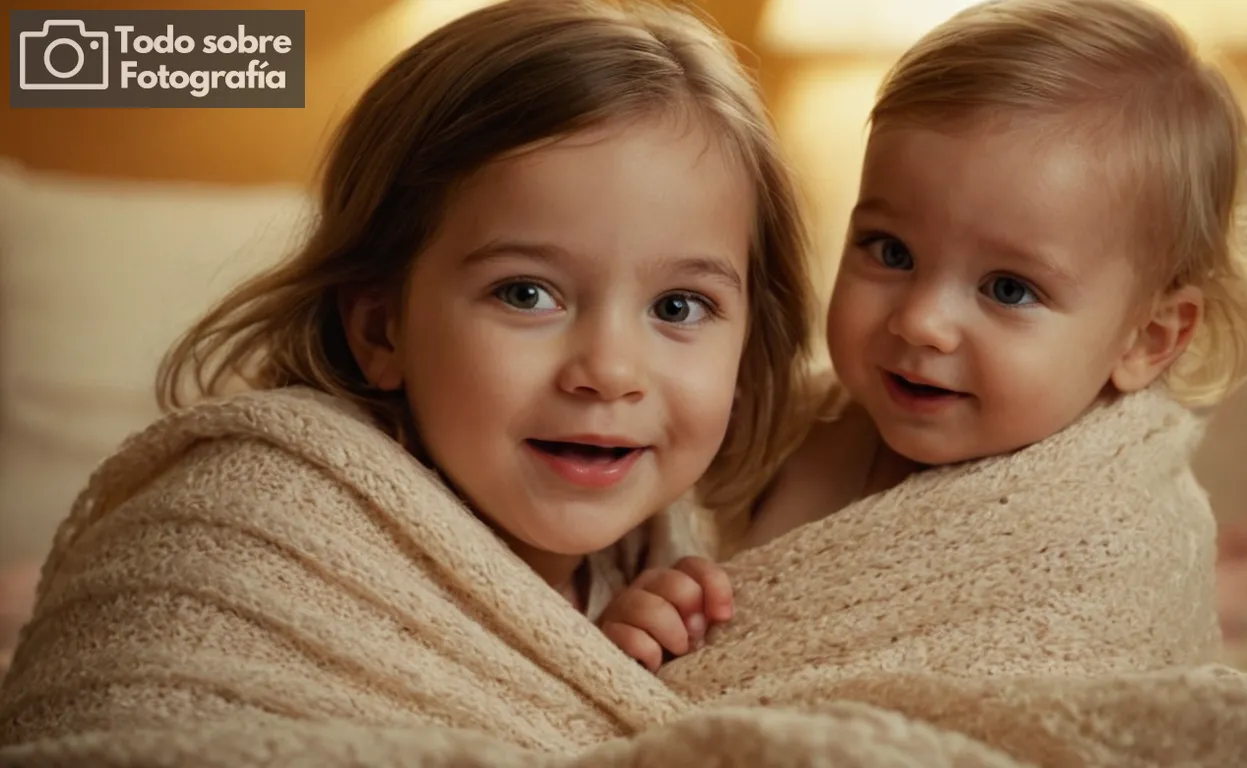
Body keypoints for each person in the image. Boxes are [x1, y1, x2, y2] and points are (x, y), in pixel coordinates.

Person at [0, 0, 814, 746]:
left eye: (678, 307)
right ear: (381, 328)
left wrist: (596, 672)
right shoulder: (270, 528)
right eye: (526, 294)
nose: (608, 371)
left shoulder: (670, 556)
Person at [599, 0, 1247, 671]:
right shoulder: (782, 434)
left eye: (1008, 289)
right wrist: (651, 621)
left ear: (1147, 339)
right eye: (890, 251)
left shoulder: (1113, 536)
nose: (920, 321)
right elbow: (682, 596)